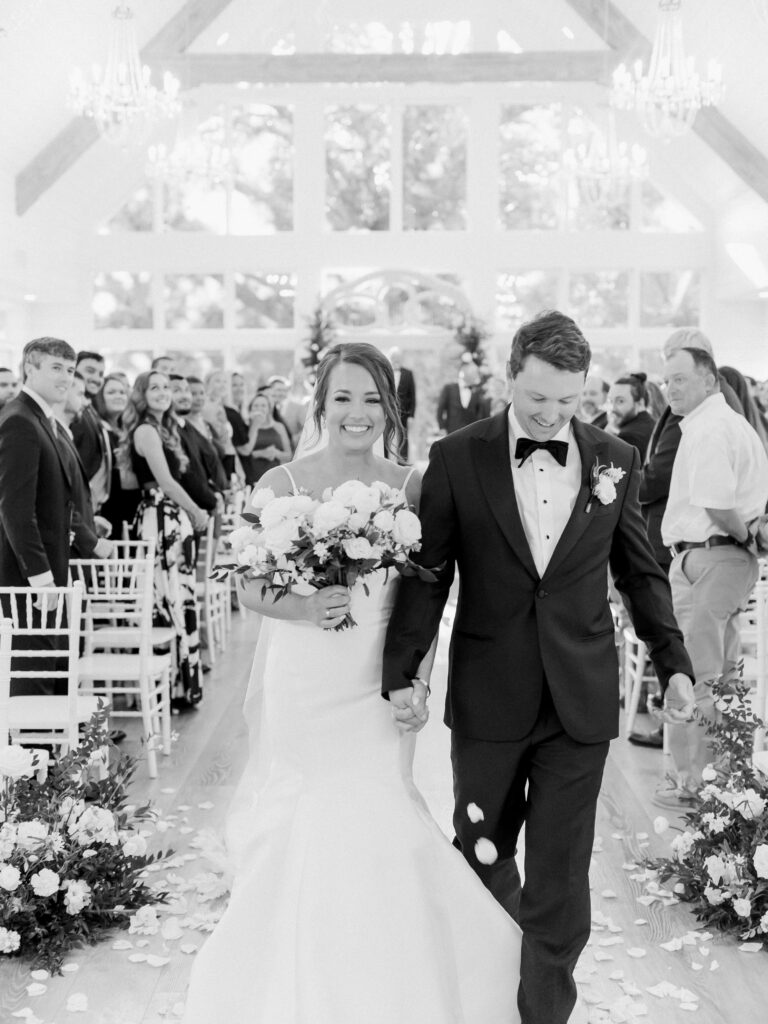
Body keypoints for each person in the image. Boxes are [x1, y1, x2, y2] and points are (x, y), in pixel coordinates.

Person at [181, 342, 521, 1024]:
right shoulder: (281, 483)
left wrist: (416, 682)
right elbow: (246, 585)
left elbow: (425, 596)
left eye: (372, 399)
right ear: (321, 403)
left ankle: (393, 975)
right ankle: (302, 971)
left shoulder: (411, 485)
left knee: (379, 803)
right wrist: (303, 606)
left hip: (376, 679)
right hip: (306, 678)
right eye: (344, 397)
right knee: (314, 808)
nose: (357, 413)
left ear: (389, 410)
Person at [382, 311, 694, 1024]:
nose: (553, 417)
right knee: (481, 850)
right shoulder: (458, 457)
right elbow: (429, 574)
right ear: (509, 379)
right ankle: (495, 985)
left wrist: (673, 661)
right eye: (537, 401)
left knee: (560, 876)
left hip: (579, 700)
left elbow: (640, 574)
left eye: (568, 402)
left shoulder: (616, 457)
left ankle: (543, 1013)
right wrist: (406, 672)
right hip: (490, 694)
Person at [656, 347, 768, 808]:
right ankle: (722, 781)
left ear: (710, 382)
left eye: (680, 379)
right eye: (668, 381)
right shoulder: (713, 426)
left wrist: (744, 537)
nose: (670, 389)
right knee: (719, 677)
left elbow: (718, 504)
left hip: (715, 555)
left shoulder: (711, 430)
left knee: (699, 676)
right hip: (712, 558)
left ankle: (697, 786)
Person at [123, 371, 208, 709]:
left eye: (166, 388)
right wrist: (196, 511)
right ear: (142, 395)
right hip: (162, 519)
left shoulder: (163, 429)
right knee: (167, 595)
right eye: (153, 388)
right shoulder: (145, 430)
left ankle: (179, 685)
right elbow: (166, 481)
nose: (162, 393)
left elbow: (132, 481)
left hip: (169, 517)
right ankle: (170, 685)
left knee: (179, 592)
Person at [0, 337, 77, 696]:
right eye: (56, 368)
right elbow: (15, 509)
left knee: (50, 669)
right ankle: (34, 752)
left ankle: (48, 750)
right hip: (27, 576)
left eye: (70, 369)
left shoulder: (38, 417)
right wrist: (41, 579)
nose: (66, 378)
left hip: (51, 565)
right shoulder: (19, 421)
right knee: (33, 676)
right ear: (30, 369)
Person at [55, 373, 114, 560]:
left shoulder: (64, 435)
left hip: (76, 541)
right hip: (65, 549)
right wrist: (92, 541)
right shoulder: (55, 437)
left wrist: (90, 521)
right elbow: (57, 501)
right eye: (80, 394)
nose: (86, 402)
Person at [91, 372, 142, 539]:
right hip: (108, 511)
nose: (118, 396)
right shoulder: (98, 430)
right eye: (111, 392)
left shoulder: (128, 430)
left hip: (131, 511)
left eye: (122, 392)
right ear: (100, 397)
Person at [71, 350, 112, 514]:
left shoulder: (91, 410)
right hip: (76, 508)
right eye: (90, 371)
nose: (96, 378)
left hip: (91, 507)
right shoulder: (71, 412)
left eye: (101, 373)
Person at [239, 391, 292, 484]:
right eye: (256, 405)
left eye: (263, 405)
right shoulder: (245, 427)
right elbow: (241, 453)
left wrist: (276, 453)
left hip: (275, 477)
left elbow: (289, 455)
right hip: (252, 477)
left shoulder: (279, 427)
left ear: (269, 408)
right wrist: (259, 453)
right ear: (250, 408)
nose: (259, 408)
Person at [607, 372, 655, 458]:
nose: (612, 408)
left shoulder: (629, 436)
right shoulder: (652, 424)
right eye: (610, 401)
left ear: (640, 403)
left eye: (620, 401)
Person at [436, 359, 490, 434]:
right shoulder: (449, 388)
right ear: (463, 371)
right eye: (472, 371)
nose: (474, 374)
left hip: (471, 434)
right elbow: (440, 409)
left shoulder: (477, 391)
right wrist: (442, 427)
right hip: (452, 433)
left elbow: (480, 413)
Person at [388, 346, 417, 461]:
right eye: (393, 357)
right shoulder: (384, 372)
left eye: (397, 357)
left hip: (404, 413)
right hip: (387, 412)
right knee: (386, 436)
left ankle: (403, 463)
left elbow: (413, 395)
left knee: (404, 438)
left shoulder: (408, 373)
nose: (395, 360)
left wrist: (412, 416)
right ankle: (386, 461)